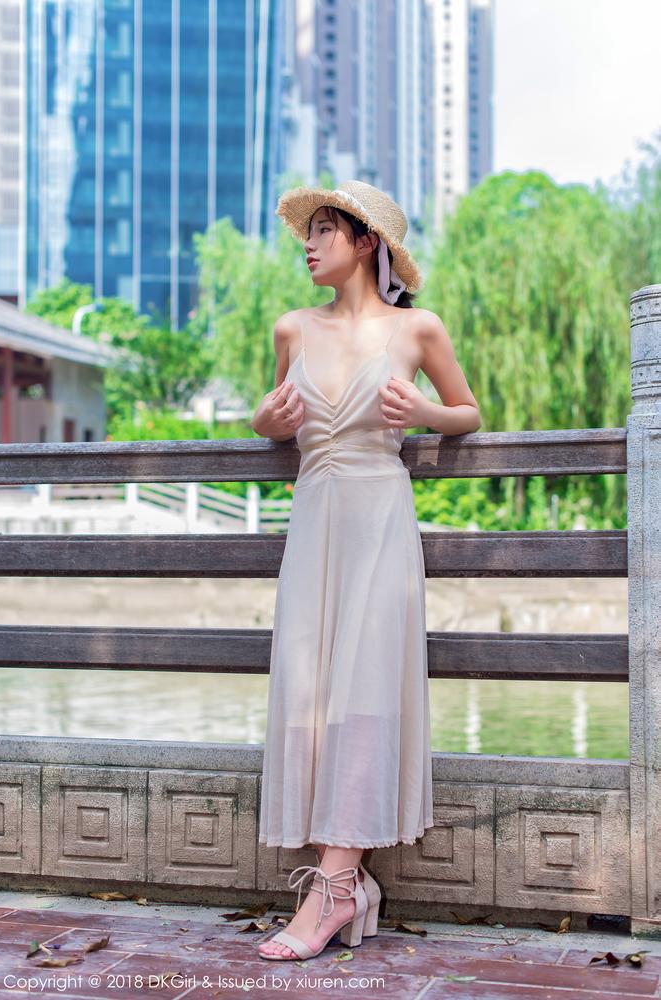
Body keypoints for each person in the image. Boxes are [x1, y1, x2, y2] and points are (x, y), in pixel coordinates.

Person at [251, 179, 481, 961]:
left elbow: (468, 411)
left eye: (325, 230)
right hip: (314, 518)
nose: (308, 243)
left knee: (367, 686)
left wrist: (424, 415)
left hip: (380, 517)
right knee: (309, 686)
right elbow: (273, 413)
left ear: (366, 242)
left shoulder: (418, 328)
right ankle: (346, 883)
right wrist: (264, 421)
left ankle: (334, 887)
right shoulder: (292, 328)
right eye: (308, 230)